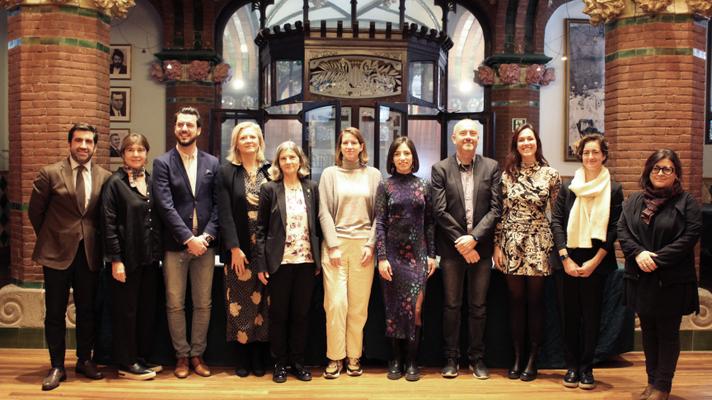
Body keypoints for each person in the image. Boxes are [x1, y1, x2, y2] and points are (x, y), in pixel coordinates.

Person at [28, 123, 111, 391]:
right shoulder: (50, 173)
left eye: (88, 141)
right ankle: (57, 366)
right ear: (70, 144)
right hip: (55, 254)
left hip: (89, 253)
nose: (83, 146)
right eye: (78, 141)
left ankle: (84, 360)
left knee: (87, 310)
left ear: (95, 146)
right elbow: (35, 213)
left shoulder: (104, 177)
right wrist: (54, 238)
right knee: (55, 311)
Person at [618, 149, 702, 400]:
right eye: (657, 168)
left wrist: (656, 259)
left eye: (667, 169)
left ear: (676, 174)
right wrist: (639, 254)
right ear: (648, 171)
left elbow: (690, 237)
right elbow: (623, 230)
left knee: (667, 333)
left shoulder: (687, 202)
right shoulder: (634, 200)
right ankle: (651, 381)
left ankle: (663, 387)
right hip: (641, 278)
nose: (661, 173)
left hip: (671, 281)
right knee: (648, 333)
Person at [551, 133, 623, 389]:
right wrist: (565, 257)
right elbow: (556, 222)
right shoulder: (568, 186)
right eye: (585, 153)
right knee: (569, 316)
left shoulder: (614, 188)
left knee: (592, 317)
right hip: (567, 259)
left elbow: (615, 227)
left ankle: (587, 367)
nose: (590, 157)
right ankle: (571, 366)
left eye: (595, 152)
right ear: (580, 156)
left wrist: (595, 261)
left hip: (597, 262)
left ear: (604, 155)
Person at [153, 106, 220, 379]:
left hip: (205, 245)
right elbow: (164, 206)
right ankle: (181, 355)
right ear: (174, 128)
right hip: (175, 245)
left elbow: (218, 206)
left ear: (199, 130)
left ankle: (197, 354)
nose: (184, 129)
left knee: (203, 303)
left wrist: (205, 237)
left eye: (189, 125)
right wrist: (187, 238)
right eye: (180, 124)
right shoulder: (162, 163)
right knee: (175, 304)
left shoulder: (212, 163)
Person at [432, 118, 501, 379]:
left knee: (479, 306)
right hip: (452, 251)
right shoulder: (440, 169)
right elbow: (439, 210)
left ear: (478, 138)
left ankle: (477, 358)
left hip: (480, 250)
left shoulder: (492, 167)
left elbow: (496, 209)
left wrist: (474, 239)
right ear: (454, 138)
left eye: (473, 133)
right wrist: (463, 242)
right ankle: (451, 358)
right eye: (463, 133)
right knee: (451, 305)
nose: (468, 137)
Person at [493, 123, 561, 382]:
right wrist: (496, 245)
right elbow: (501, 213)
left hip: (538, 242)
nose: (526, 143)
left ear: (536, 143)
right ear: (516, 145)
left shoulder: (551, 175)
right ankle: (517, 356)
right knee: (515, 300)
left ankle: (533, 357)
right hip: (511, 241)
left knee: (535, 301)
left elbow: (556, 215)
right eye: (521, 140)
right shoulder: (506, 175)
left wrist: (559, 249)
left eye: (530, 139)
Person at [254, 141, 320, 383]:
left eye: (293, 157)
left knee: (301, 315)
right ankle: (280, 363)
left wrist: (319, 261)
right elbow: (260, 230)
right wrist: (261, 265)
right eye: (284, 158)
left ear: (300, 161)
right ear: (278, 163)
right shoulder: (270, 189)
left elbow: (318, 227)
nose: (289, 162)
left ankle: (298, 362)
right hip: (279, 263)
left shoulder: (312, 188)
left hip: (306, 262)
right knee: (280, 315)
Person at [318, 127, 381, 379]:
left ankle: (354, 356)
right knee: (335, 304)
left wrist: (371, 244)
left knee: (357, 306)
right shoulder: (330, 174)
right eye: (345, 143)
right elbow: (323, 210)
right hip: (335, 246)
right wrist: (332, 245)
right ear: (340, 147)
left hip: (364, 247)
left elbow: (380, 214)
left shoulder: (373, 175)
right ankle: (335, 357)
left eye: (354, 142)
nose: (350, 147)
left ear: (362, 146)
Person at [101, 133, 163, 380]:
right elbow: (108, 224)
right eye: (130, 150)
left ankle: (140, 357)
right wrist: (116, 260)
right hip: (125, 261)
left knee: (145, 310)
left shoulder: (150, 180)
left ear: (147, 153)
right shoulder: (114, 183)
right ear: (123, 154)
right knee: (126, 312)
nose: (136, 154)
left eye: (140, 150)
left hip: (149, 259)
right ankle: (126, 363)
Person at [375, 137, 436, 382]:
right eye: (398, 154)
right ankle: (395, 360)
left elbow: (430, 223)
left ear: (413, 157)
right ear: (392, 158)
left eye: (407, 154)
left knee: (416, 310)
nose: (402, 158)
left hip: (418, 256)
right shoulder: (385, 186)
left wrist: (432, 255)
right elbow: (379, 223)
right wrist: (381, 257)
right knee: (393, 310)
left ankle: (412, 361)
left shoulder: (424, 185)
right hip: (391, 256)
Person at [216, 122, 270, 377]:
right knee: (239, 302)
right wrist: (234, 248)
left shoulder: (270, 171)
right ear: (236, 143)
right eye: (244, 137)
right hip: (239, 249)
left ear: (260, 141)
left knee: (264, 303)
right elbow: (224, 213)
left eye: (253, 137)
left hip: (265, 250)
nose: (249, 141)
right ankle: (243, 357)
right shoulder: (226, 172)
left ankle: (260, 357)